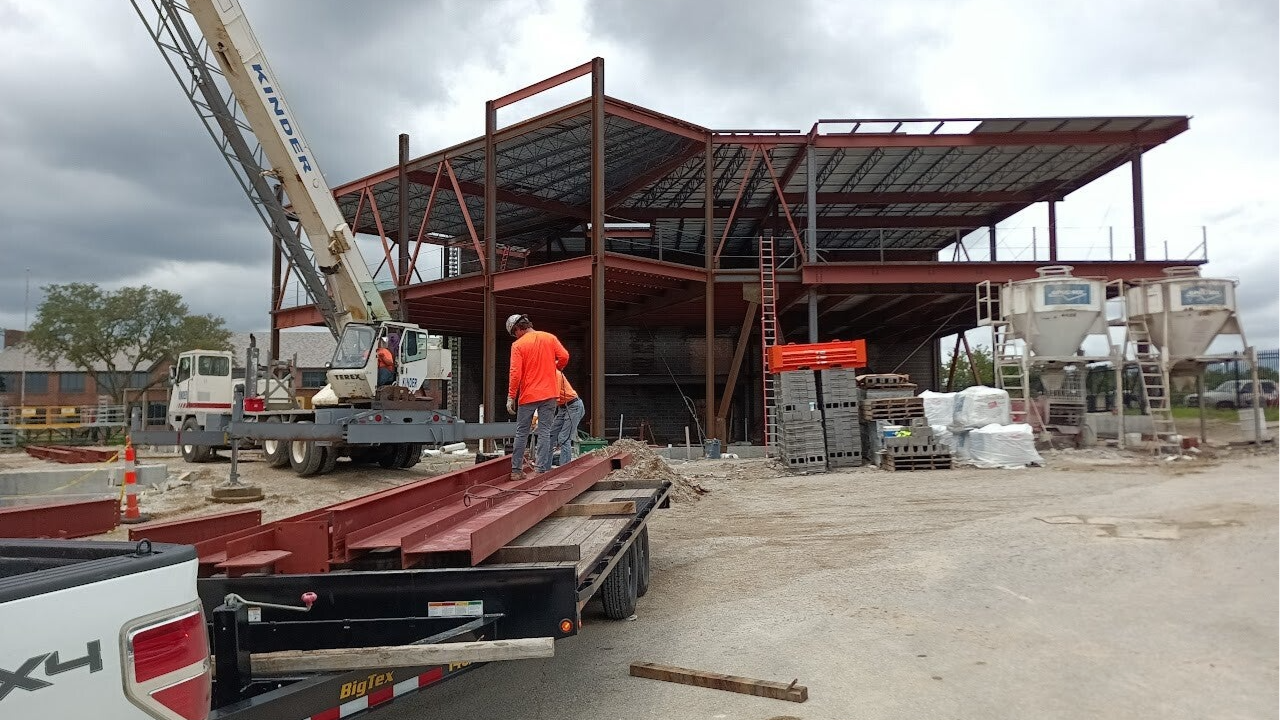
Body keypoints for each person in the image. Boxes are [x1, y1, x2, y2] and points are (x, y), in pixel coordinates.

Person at [505, 313, 568, 480]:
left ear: (518, 328)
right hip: (549, 394)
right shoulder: (549, 338)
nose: (515, 336)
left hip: (528, 395)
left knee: (522, 433)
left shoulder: (518, 345)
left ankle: (516, 471)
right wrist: (556, 367)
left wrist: (511, 396)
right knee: (545, 432)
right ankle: (540, 469)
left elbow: (515, 374)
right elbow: (564, 357)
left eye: (514, 332)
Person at [549, 370, 584, 467]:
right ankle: (544, 468)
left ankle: (564, 468)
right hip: (563, 407)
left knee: (564, 437)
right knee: (549, 436)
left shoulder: (555, 373)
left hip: (573, 406)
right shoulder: (545, 375)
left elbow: (554, 397)